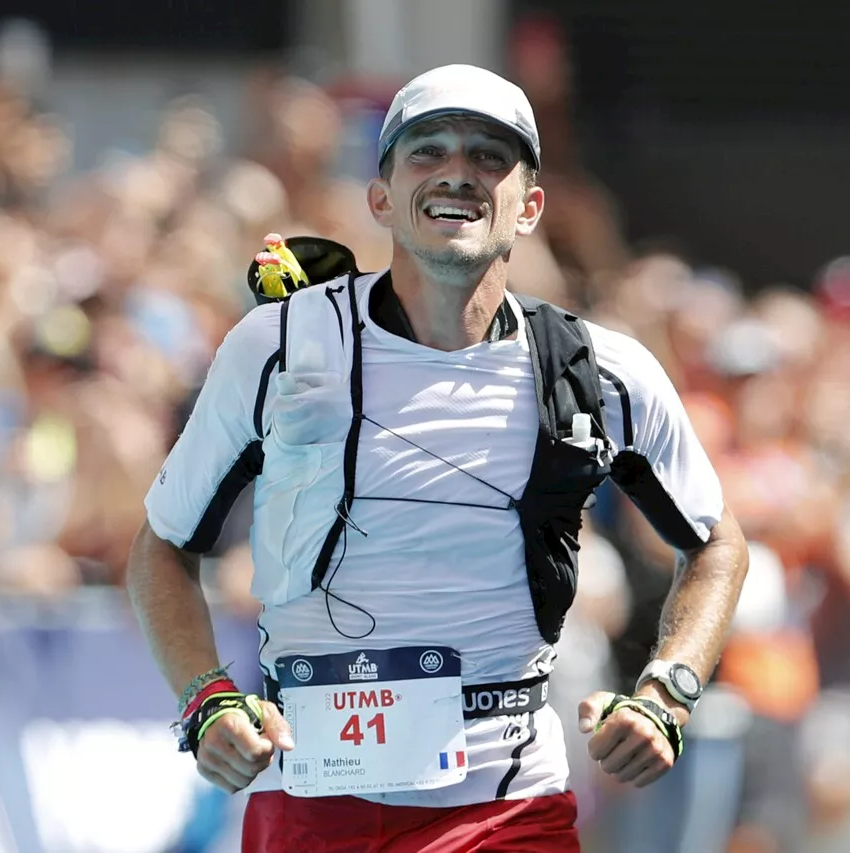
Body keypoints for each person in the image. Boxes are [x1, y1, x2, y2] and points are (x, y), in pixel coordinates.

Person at [127, 63, 749, 853]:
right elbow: (162, 545)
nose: (458, 171)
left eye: (490, 156)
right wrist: (205, 697)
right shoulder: (277, 348)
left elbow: (716, 542)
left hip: (508, 811)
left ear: (531, 207)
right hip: (311, 805)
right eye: (427, 152)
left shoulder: (600, 369)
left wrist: (668, 689)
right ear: (380, 197)